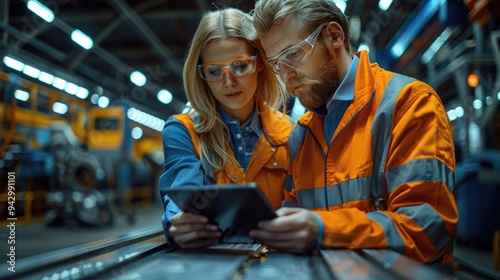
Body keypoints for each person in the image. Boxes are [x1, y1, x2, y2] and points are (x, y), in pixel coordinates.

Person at [242, 0, 458, 270]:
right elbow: (294, 226)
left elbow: (426, 230)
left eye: (293, 55)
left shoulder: (409, 105)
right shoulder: (301, 136)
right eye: (276, 64)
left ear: (334, 36)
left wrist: (322, 228)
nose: (286, 76)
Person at [159, 8, 291, 249]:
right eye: (215, 71)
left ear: (259, 63)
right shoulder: (183, 130)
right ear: (201, 74)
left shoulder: (291, 132)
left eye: (239, 66)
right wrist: (178, 223)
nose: (229, 82)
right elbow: (183, 192)